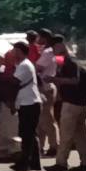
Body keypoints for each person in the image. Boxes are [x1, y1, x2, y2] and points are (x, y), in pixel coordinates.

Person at [47, 36, 86, 171]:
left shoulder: (69, 62)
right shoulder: (71, 61)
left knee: (66, 135)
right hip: (81, 102)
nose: (53, 51)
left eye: (54, 47)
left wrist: (55, 79)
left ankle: (61, 164)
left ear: (60, 46)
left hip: (72, 102)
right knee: (80, 135)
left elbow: (74, 81)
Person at [10, 42, 42, 171]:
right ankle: (33, 162)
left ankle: (24, 163)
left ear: (20, 51)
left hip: (29, 103)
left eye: (15, 50)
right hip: (28, 102)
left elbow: (14, 82)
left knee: (27, 134)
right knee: (29, 134)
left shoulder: (24, 65)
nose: (13, 52)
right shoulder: (23, 64)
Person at [33, 29, 60, 157]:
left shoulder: (48, 52)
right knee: (41, 120)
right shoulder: (48, 51)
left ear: (44, 37)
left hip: (46, 88)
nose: (37, 40)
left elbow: (38, 68)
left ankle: (54, 145)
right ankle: (41, 146)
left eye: (39, 37)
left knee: (47, 119)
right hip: (46, 87)